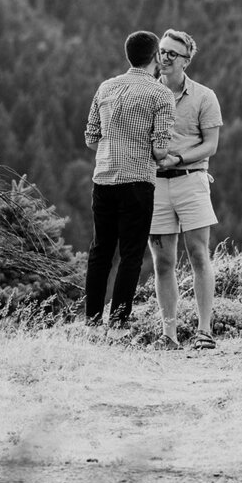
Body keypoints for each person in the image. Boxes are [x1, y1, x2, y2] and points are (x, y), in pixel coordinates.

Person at [83, 30, 176, 328]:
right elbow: (160, 150)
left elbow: (91, 139)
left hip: (104, 178)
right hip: (137, 180)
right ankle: (118, 322)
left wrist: (115, 146)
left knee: (100, 252)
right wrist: (170, 158)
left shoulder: (106, 87)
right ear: (156, 56)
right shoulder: (161, 94)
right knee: (131, 254)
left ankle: (92, 321)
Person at [147, 28, 223, 351]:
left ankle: (204, 331)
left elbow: (211, 145)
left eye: (171, 54)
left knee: (198, 254)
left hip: (191, 179)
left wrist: (177, 157)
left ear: (186, 61)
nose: (164, 57)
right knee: (162, 262)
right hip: (155, 184)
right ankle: (169, 334)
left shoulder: (204, 97)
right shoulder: (147, 93)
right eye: (161, 51)